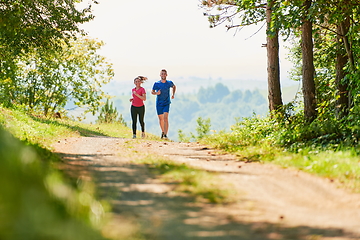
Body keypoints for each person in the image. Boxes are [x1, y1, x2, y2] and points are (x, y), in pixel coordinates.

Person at [151, 69, 176, 139]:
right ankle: (162, 132)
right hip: (159, 103)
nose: (163, 75)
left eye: (164, 74)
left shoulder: (169, 83)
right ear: (160, 75)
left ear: (166, 75)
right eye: (162, 74)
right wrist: (156, 93)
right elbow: (152, 92)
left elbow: (174, 86)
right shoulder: (157, 84)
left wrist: (173, 94)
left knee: (165, 118)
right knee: (160, 119)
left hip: (166, 103)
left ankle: (165, 134)